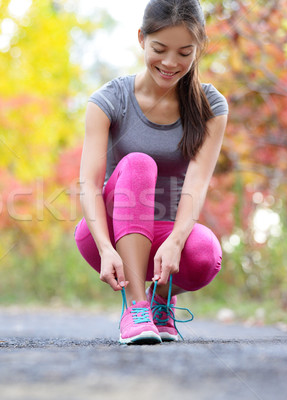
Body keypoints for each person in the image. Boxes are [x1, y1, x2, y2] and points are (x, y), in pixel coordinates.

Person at [73, 0, 228, 345]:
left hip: (164, 233)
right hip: (107, 232)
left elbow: (196, 185)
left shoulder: (211, 107)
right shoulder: (109, 100)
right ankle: (136, 308)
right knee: (140, 163)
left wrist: (175, 241)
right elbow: (89, 185)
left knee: (206, 253)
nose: (171, 63)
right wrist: (104, 247)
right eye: (160, 49)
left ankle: (160, 303)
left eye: (185, 52)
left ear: (199, 47)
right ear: (142, 38)